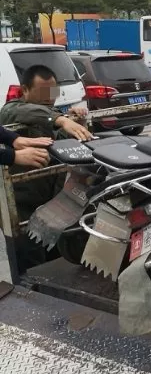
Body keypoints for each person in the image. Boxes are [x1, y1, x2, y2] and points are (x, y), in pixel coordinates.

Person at [0, 65, 93, 273]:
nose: (49, 98)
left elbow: (63, 145)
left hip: (51, 203)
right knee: (30, 264)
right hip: (22, 205)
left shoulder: (52, 113)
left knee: (57, 260)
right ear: (25, 90)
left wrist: (75, 121)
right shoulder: (13, 111)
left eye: (52, 92)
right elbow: (17, 111)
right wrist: (60, 119)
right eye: (43, 92)